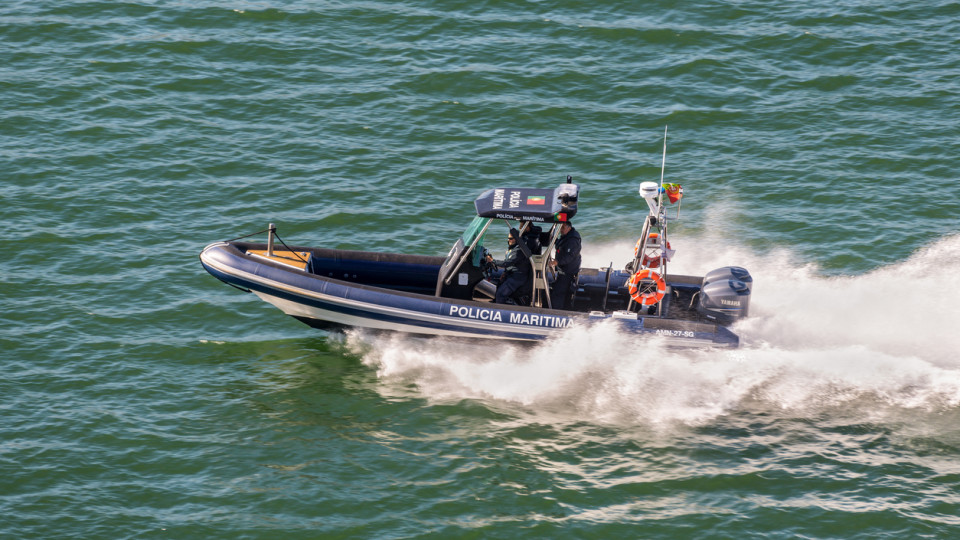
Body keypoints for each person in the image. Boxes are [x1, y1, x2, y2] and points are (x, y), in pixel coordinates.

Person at [549, 221, 581, 310]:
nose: (561, 230)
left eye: (563, 228)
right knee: (558, 290)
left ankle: (556, 312)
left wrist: (557, 262)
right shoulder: (566, 237)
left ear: (569, 228)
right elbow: (560, 244)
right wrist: (553, 240)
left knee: (558, 292)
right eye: (560, 228)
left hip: (568, 272)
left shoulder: (573, 241)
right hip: (563, 270)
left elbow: (569, 256)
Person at [494, 228, 531, 304]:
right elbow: (510, 264)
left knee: (500, 294)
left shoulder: (518, 251)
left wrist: (492, 261)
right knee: (499, 285)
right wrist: (505, 272)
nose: (509, 240)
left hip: (517, 277)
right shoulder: (514, 249)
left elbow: (506, 263)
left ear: (516, 239)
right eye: (508, 238)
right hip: (513, 274)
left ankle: (500, 312)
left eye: (511, 238)